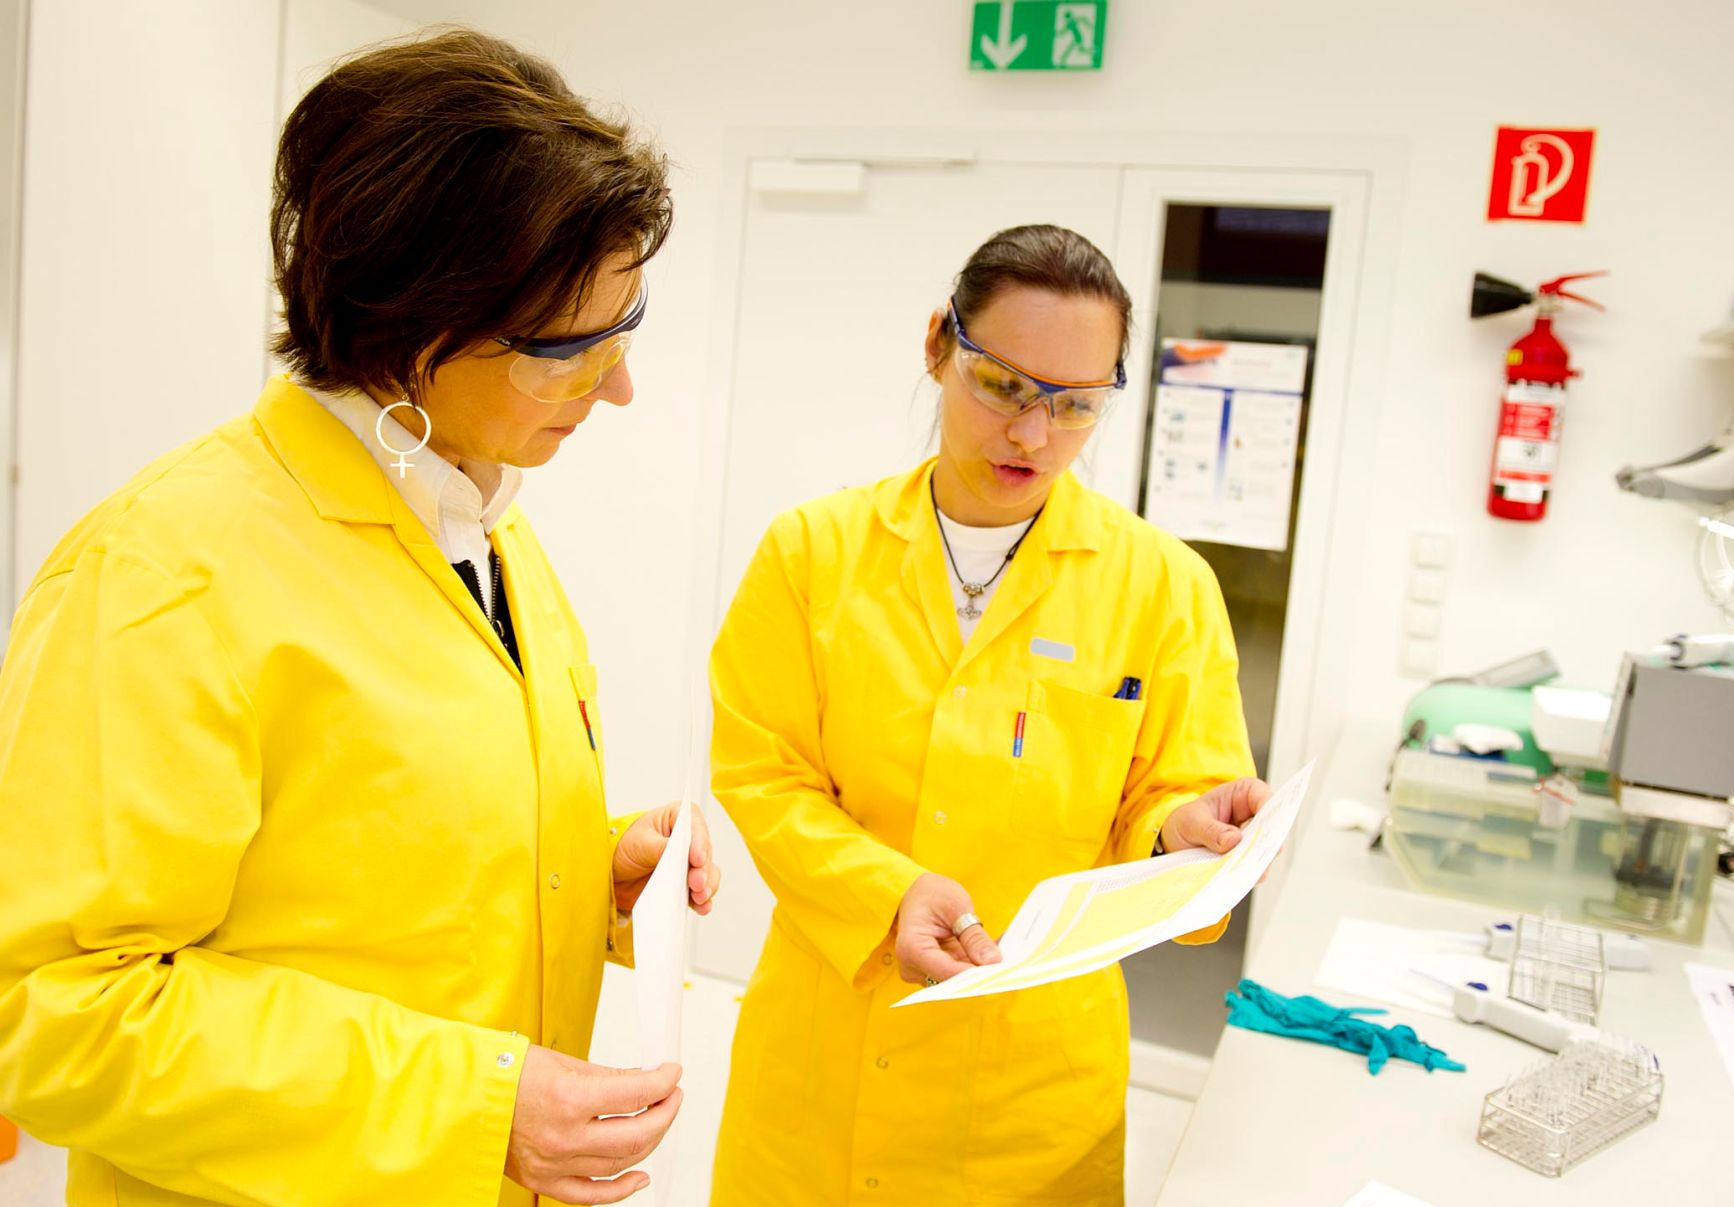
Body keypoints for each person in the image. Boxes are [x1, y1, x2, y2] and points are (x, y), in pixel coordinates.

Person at [0, 30, 718, 1207]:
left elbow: (364, 871)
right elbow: (56, 1009)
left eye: (622, 332)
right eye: (567, 350)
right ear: (410, 321)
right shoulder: (165, 572)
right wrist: (473, 1102)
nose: (618, 389)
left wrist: (590, 874)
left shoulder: (481, 520)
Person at [707, 224, 1268, 1204]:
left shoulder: (1162, 587)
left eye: (1074, 406)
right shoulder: (812, 553)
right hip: (829, 1040)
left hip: (1031, 1076)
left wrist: (1174, 831)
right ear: (938, 345)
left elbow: (1175, 795)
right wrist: (887, 894)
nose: (1031, 435)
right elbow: (764, 775)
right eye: (1003, 387)